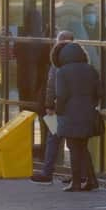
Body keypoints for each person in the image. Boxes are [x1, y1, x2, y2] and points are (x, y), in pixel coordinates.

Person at [55, 42, 102, 192]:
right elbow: (99, 93)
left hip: (70, 114)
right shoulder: (91, 70)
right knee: (83, 147)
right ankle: (91, 180)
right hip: (87, 113)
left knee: (74, 148)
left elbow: (61, 95)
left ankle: (76, 182)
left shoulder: (62, 72)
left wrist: (58, 110)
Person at [31, 31, 74, 184]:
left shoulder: (56, 62)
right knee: (74, 142)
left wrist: (49, 105)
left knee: (53, 138)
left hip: (56, 109)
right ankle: (78, 174)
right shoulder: (81, 61)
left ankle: (47, 172)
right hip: (72, 109)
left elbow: (51, 87)